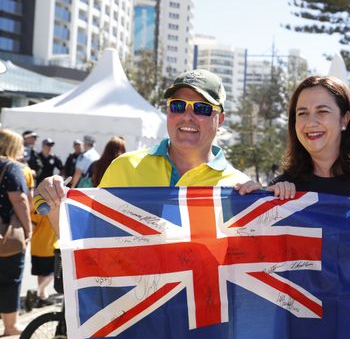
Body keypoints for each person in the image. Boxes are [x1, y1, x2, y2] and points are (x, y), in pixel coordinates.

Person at [35, 69, 250, 232]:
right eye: (177, 105)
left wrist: (276, 199)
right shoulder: (125, 167)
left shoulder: (239, 189)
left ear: (220, 119)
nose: (187, 116)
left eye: (201, 108)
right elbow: (87, 239)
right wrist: (53, 202)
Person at [237, 75, 350, 205]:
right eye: (302, 113)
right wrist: (253, 200)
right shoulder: (283, 190)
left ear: (345, 119)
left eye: (322, 111)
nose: (311, 122)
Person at [0, 129, 32, 336]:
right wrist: (29, 230)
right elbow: (19, 201)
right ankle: (10, 326)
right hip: (7, 233)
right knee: (10, 278)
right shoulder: (11, 168)